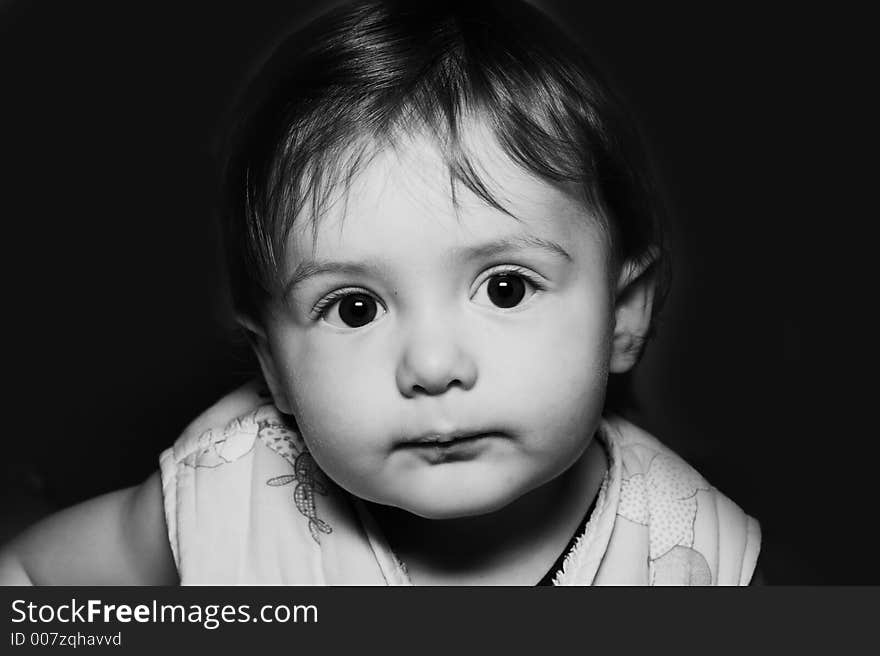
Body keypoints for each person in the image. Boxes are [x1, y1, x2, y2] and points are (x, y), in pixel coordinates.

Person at [0, 0, 760, 585]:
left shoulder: (694, 557)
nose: (432, 365)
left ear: (624, 314)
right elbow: (31, 585)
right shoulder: (227, 492)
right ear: (275, 370)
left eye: (504, 287)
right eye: (354, 307)